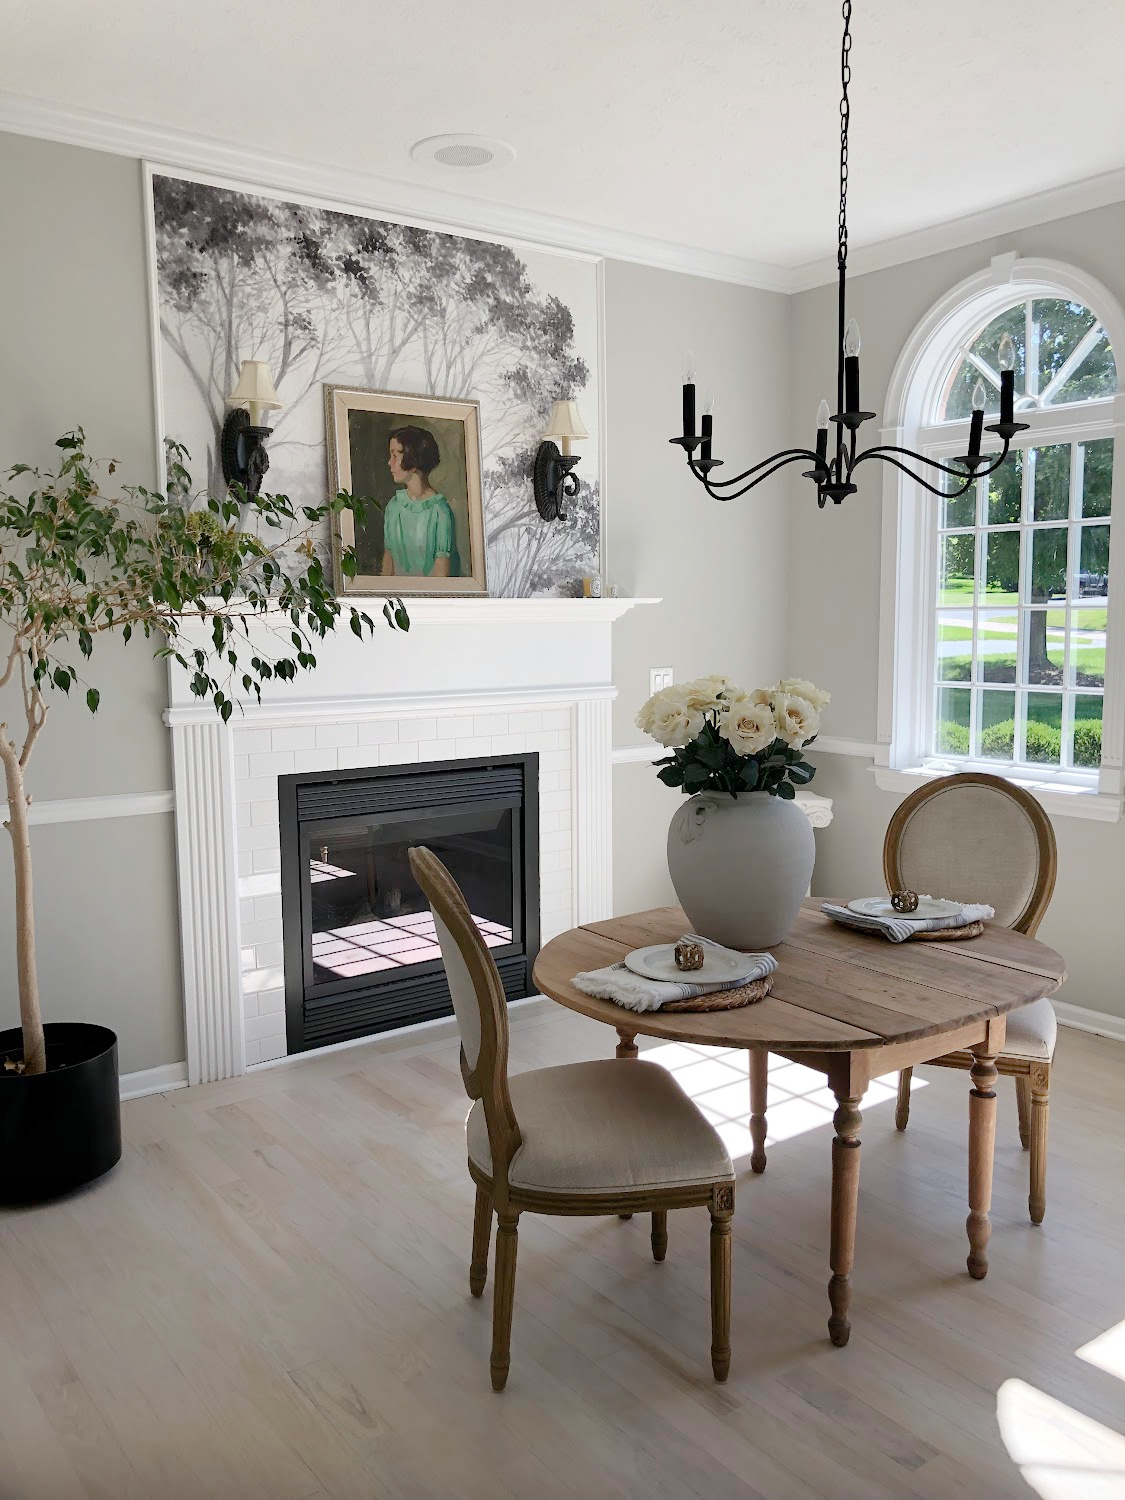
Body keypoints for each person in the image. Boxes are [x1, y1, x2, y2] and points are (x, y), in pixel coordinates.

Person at [381, 426, 459, 578]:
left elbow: (441, 575)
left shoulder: (440, 511)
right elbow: (388, 565)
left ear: (413, 459)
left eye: (395, 455)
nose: (389, 462)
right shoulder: (394, 506)